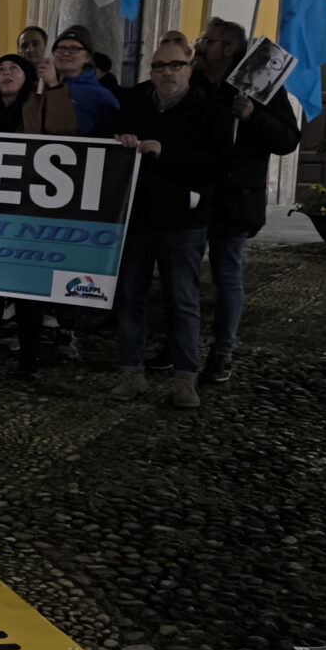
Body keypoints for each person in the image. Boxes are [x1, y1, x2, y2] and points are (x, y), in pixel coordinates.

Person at [110, 31, 234, 409]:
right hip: (137, 216)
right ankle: (131, 372)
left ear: (189, 67)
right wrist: (121, 139)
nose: (167, 72)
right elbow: (107, 136)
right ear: (151, 70)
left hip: (183, 219)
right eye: (160, 65)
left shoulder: (209, 109)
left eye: (176, 65)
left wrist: (166, 152)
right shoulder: (134, 102)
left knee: (182, 300)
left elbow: (219, 163)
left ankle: (185, 378)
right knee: (130, 296)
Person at [192, 16, 302, 383]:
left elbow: (288, 139)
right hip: (193, 194)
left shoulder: (257, 85)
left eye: (207, 40)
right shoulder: (195, 81)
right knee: (183, 275)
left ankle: (222, 351)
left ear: (227, 48)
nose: (199, 45)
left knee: (227, 275)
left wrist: (253, 116)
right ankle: (180, 344)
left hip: (235, 198)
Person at [0, 55, 78, 378]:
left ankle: (29, 361)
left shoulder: (41, 104)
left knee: (28, 291)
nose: (6, 73)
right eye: (0, 69)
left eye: (14, 69)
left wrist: (54, 86)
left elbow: (64, 129)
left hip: (31, 212)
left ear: (27, 77)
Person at [52, 24, 121, 136]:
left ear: (88, 57)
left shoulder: (102, 96)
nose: (65, 53)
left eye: (74, 49)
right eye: (61, 48)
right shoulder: (41, 86)